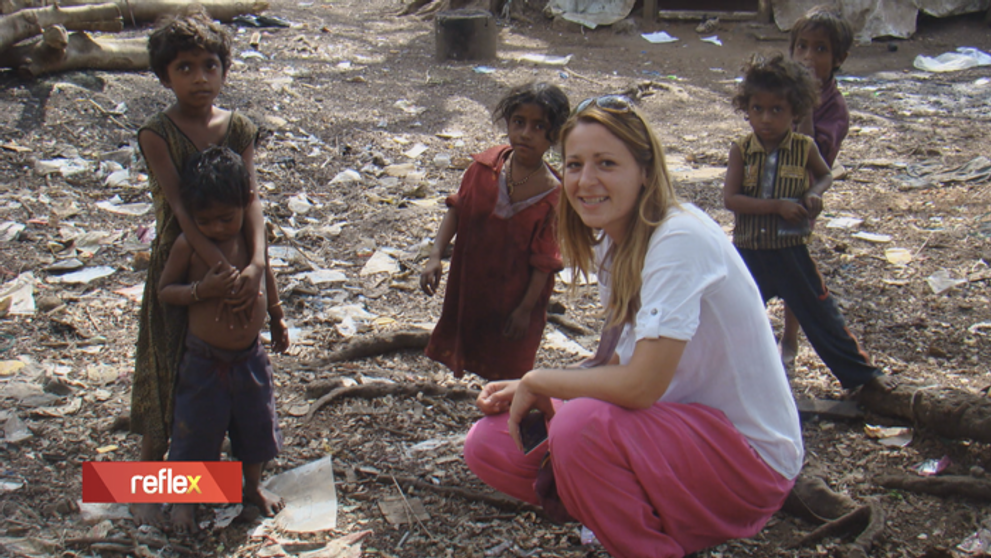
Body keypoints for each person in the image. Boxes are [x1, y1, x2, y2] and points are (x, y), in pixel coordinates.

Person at [463, 96, 804, 558]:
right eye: (575, 164)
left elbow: (641, 385)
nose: (586, 181)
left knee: (579, 427)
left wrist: (540, 379)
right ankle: (636, 517)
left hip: (749, 460)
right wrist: (542, 391)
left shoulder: (679, 237)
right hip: (670, 432)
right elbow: (624, 363)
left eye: (607, 163)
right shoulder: (612, 241)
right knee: (490, 442)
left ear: (645, 170)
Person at [130, 6, 268, 527]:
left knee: (231, 382)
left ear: (224, 70)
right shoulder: (158, 133)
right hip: (182, 258)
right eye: (184, 68)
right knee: (166, 375)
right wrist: (218, 274)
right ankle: (148, 483)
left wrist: (254, 265)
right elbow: (181, 211)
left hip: (237, 256)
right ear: (165, 75)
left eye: (210, 65)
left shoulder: (238, 128)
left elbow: (252, 201)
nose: (199, 78)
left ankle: (228, 484)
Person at [723, 53, 895, 392]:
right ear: (747, 109)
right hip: (749, 251)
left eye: (777, 110)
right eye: (757, 109)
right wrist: (777, 206)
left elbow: (826, 175)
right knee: (728, 317)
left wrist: (815, 194)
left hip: (790, 251)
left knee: (821, 316)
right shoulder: (741, 150)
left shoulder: (804, 148)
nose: (766, 119)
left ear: (796, 112)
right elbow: (731, 200)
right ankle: (720, 380)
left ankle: (863, 380)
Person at [158, 146, 289, 533]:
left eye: (225, 218)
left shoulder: (250, 240)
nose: (216, 228)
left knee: (256, 428)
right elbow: (166, 291)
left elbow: (267, 277)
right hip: (204, 361)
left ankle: (251, 488)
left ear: (244, 203)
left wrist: (278, 318)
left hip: (250, 357)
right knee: (196, 435)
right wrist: (202, 289)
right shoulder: (188, 246)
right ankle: (185, 502)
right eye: (206, 221)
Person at [419, 82, 570, 381]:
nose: (526, 133)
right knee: (469, 334)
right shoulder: (485, 167)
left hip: (516, 295)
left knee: (509, 359)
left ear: (553, 136)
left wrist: (526, 308)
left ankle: (505, 415)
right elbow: (458, 209)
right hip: (474, 281)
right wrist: (435, 255)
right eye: (519, 122)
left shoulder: (555, 197)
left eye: (539, 126)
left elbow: (545, 261)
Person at [779, 5, 854, 369]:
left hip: (799, 201)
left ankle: (790, 336)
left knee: (796, 273)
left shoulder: (834, 109)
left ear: (839, 58)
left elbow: (811, 157)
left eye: (820, 49)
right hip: (764, 196)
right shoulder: (782, 92)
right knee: (753, 265)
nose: (809, 57)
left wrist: (805, 106)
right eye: (802, 47)